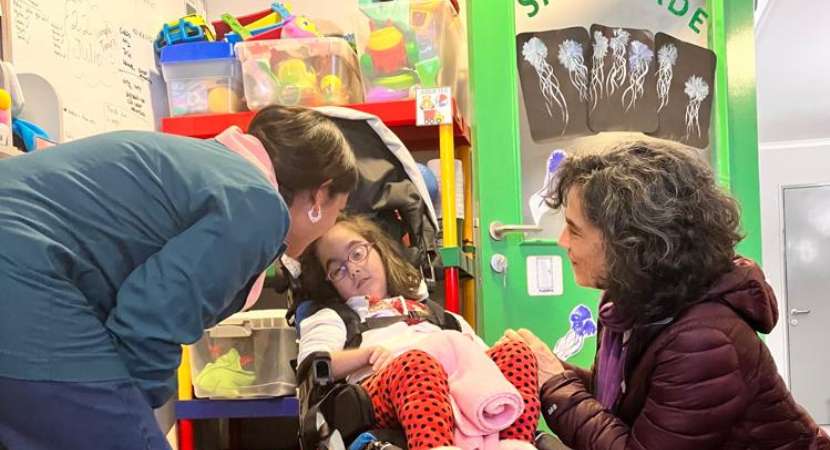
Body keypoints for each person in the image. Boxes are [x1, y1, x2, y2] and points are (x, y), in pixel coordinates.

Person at [0, 105, 358, 450]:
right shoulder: (257, 204)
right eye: (338, 211)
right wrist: (135, 419)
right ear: (320, 194)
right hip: (22, 274)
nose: (331, 224)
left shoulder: (208, 167)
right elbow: (150, 322)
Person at [503, 141, 830, 450]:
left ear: (634, 243)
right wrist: (544, 368)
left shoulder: (704, 340)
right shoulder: (629, 306)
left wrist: (554, 386)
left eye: (574, 229)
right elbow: (620, 401)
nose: (562, 241)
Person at [298, 214, 541, 450]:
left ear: (379, 250)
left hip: (457, 387)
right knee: (417, 363)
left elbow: (483, 366)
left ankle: (513, 444)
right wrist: (365, 355)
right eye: (338, 270)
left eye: (357, 254)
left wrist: (498, 354)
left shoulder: (441, 317)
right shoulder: (335, 318)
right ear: (329, 282)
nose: (353, 269)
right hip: (384, 392)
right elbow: (315, 366)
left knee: (516, 353)